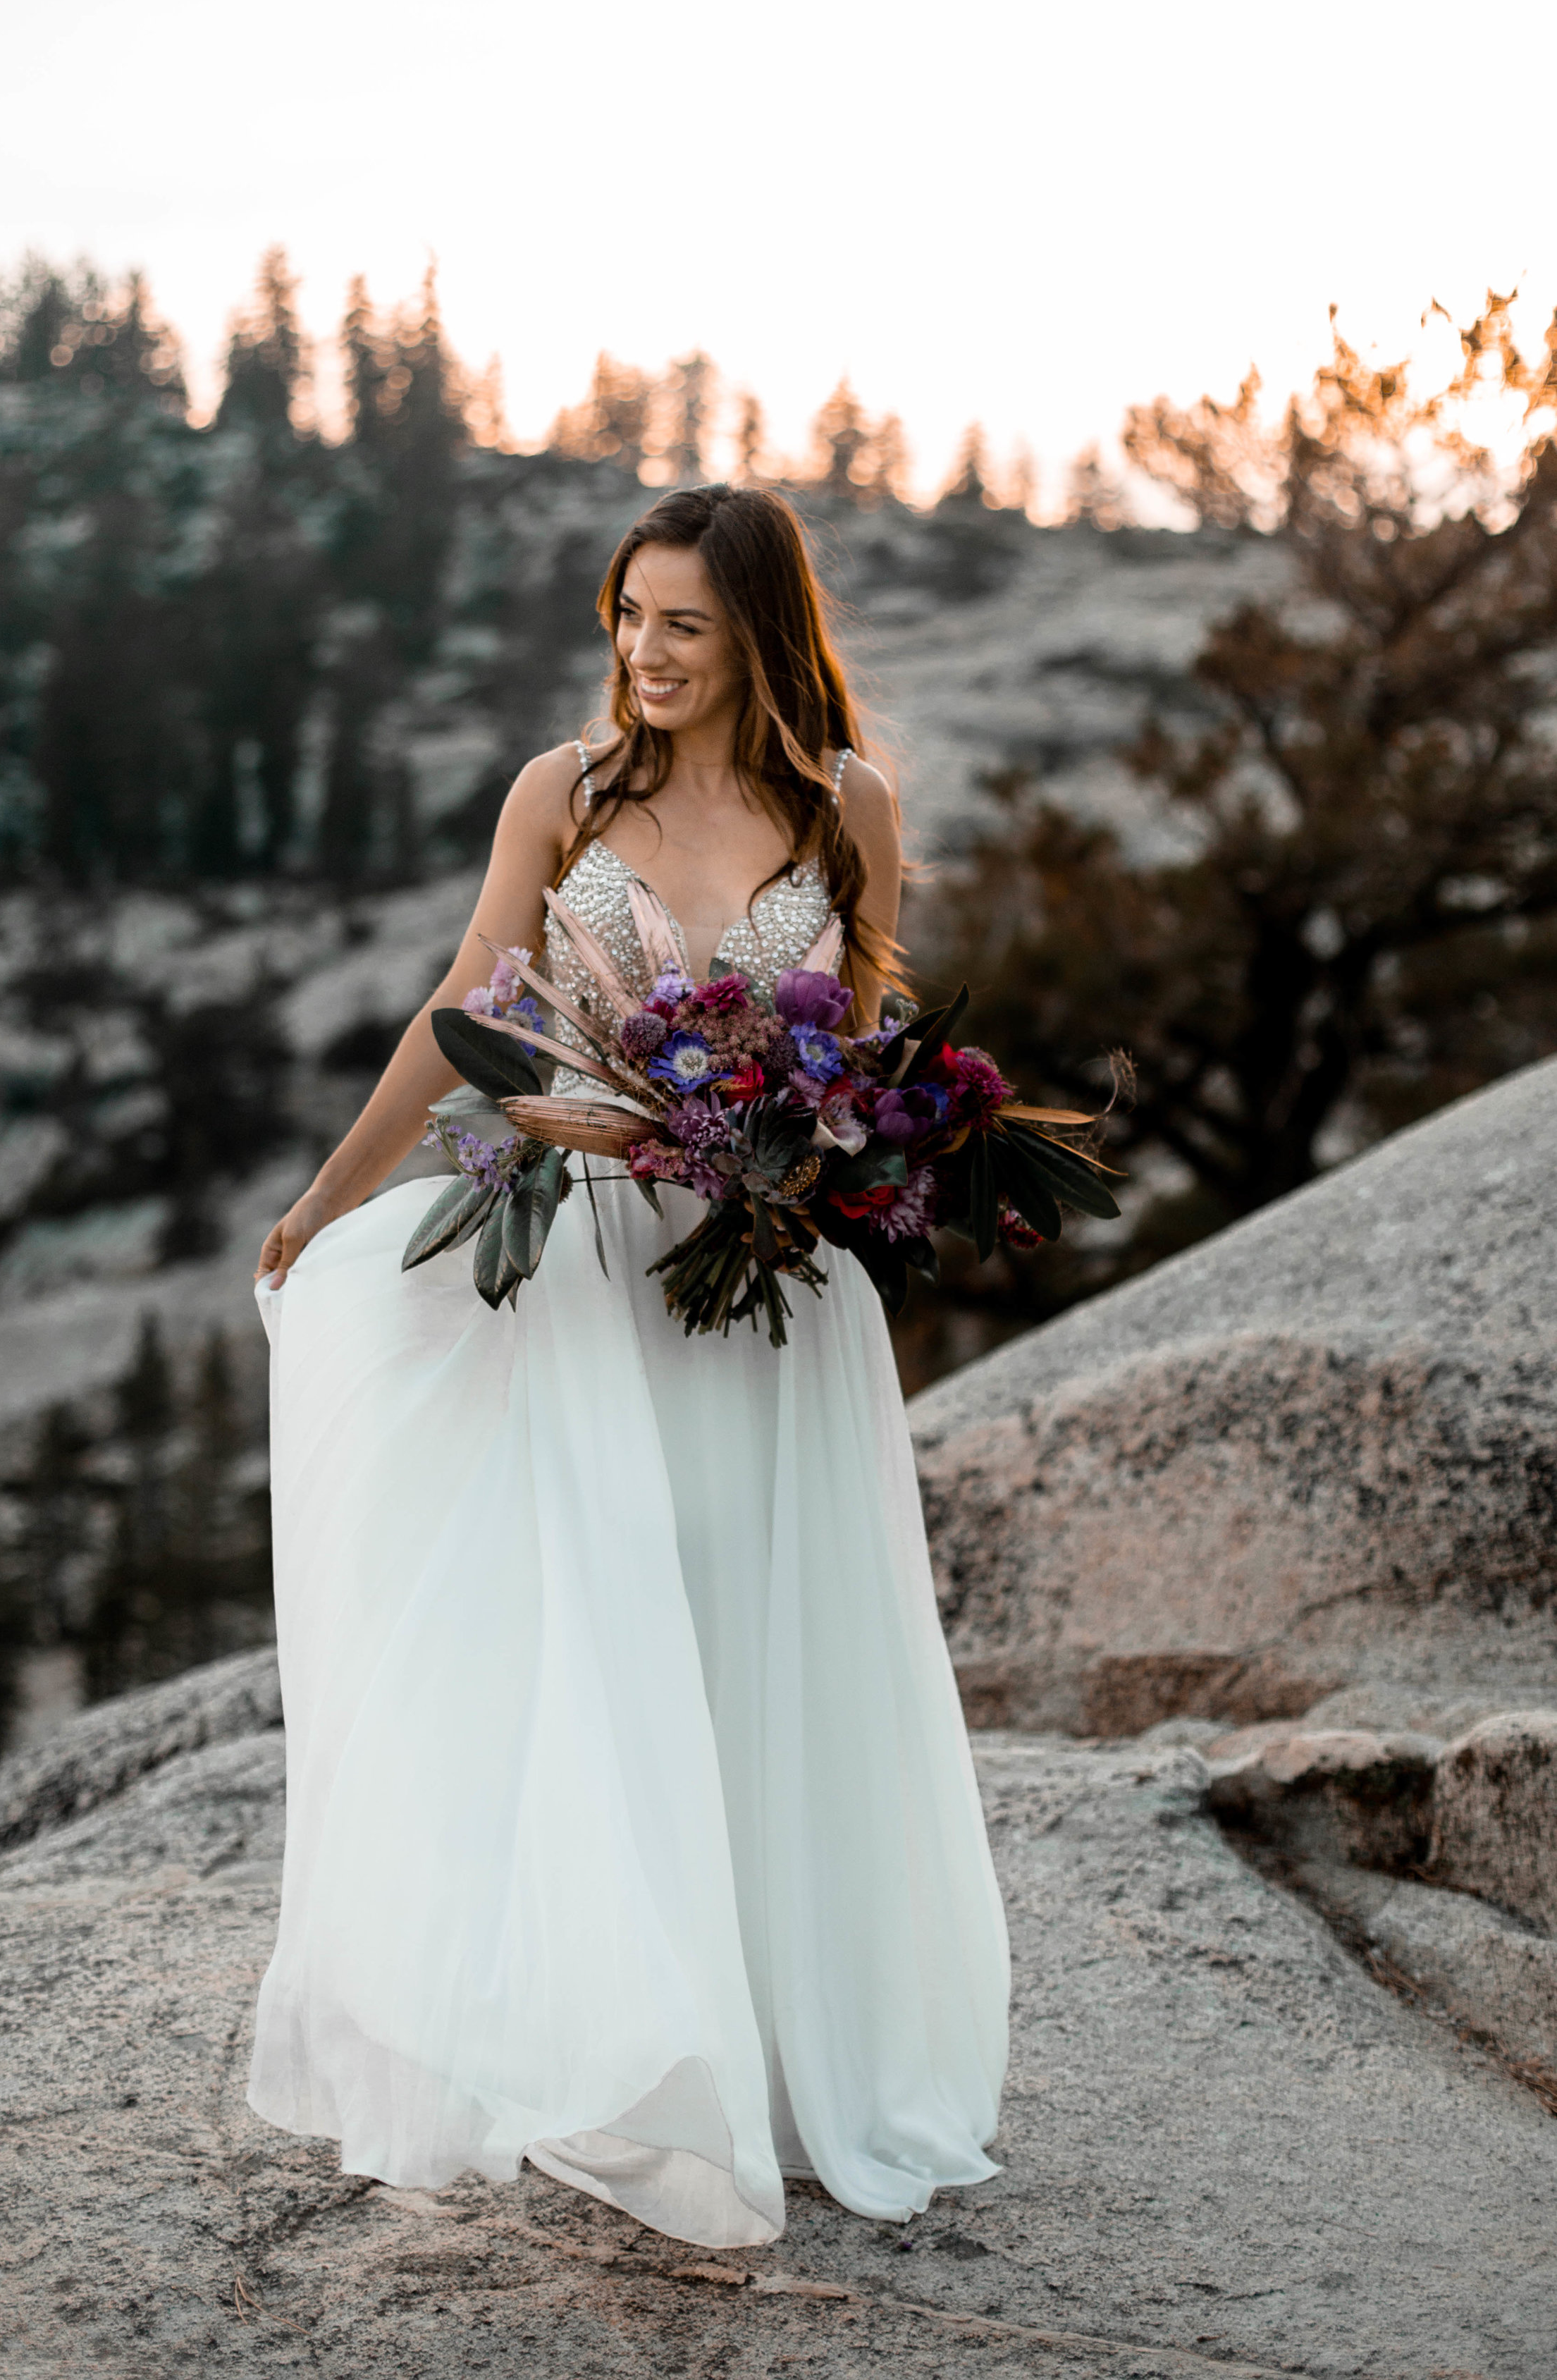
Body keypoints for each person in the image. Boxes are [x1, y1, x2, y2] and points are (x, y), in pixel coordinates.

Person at [248, 483, 1009, 2250]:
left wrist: (854, 1146)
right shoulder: (562, 794)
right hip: (584, 1255)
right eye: (625, 617)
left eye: (680, 623)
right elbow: (476, 1007)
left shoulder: (845, 810)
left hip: (761, 1284)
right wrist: (324, 1196)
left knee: (751, 1635)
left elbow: (873, 1020)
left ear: (757, 630)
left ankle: (771, 2051)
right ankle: (615, 2048)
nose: (641, 655)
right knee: (597, 1634)